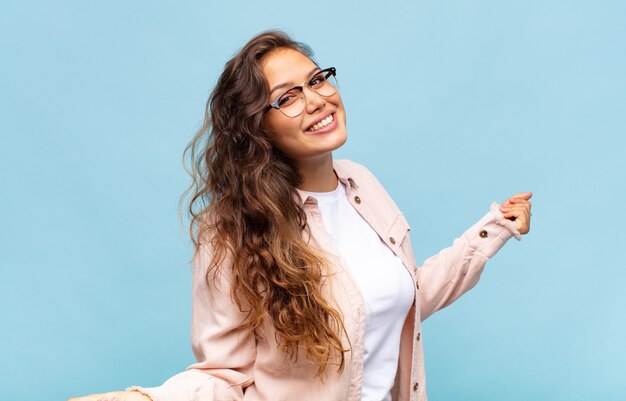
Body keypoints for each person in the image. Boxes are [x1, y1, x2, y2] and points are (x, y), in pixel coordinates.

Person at [69, 30, 532, 401]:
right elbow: (226, 376)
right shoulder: (232, 228)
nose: (316, 100)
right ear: (258, 127)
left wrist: (492, 231)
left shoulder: (362, 185)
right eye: (287, 97)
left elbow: (401, 299)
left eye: (316, 80)